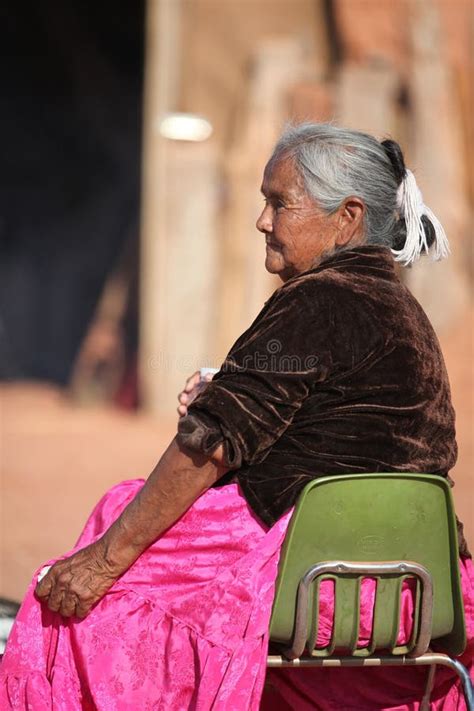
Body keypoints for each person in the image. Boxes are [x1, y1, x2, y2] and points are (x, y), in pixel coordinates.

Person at [1, 123, 472, 710]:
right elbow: (341, 433)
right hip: (408, 588)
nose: (262, 221)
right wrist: (224, 394)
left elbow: (210, 444)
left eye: (280, 203)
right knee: (121, 509)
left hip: (313, 581)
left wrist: (101, 564)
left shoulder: (318, 299)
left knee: (78, 595)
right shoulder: (399, 308)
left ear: (347, 218)